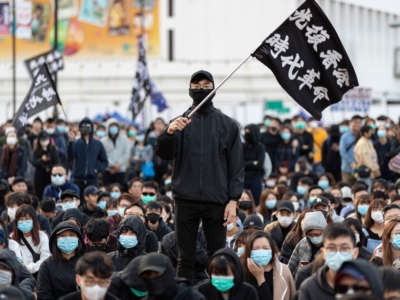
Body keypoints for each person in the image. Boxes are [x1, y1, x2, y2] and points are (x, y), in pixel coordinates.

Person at [155, 70, 244, 281]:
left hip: (217, 200)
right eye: (197, 85)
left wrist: (233, 199)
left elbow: (237, 165)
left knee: (218, 256)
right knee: (184, 258)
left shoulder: (227, 125)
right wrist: (168, 133)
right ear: (189, 89)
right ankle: (184, 293)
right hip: (185, 199)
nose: (201, 89)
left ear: (214, 89)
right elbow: (164, 153)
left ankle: (216, 293)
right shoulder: (180, 123)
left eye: (206, 85)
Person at [297, 223, 359, 300]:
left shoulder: (365, 285)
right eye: (332, 248)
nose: (338, 253)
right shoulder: (309, 288)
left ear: (355, 253)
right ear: (323, 253)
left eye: (344, 248)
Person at [37, 221, 85, 300]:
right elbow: (43, 294)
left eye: (72, 235)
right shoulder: (47, 266)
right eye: (62, 236)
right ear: (55, 240)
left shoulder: (87, 262)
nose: (67, 238)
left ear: (78, 238)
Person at [242, 231, 295, 300]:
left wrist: (260, 278)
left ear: (272, 250)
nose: (261, 251)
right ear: (249, 251)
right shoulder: (242, 272)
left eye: (265, 248)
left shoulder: (284, 271)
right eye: (256, 249)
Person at [68, 118, 108, 199]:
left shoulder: (98, 144)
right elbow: (70, 157)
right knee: (77, 200)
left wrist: (98, 169)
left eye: (87, 126)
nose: (85, 128)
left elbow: (104, 161)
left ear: (92, 128)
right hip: (77, 178)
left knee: (92, 200)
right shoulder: (76, 143)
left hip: (92, 179)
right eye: (83, 126)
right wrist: (70, 142)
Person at [138, 252, 206, 300]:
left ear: (168, 272)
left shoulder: (191, 296)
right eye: (147, 276)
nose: (152, 279)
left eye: (157, 273)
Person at [8, 205, 50, 275]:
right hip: (20, 277)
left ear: (34, 220)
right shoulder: (12, 238)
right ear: (16, 222)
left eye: (27, 219)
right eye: (21, 219)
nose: (24, 222)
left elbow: (45, 258)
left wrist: (30, 268)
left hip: (39, 275)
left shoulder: (42, 236)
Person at [288, 211, 327, 276]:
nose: (314, 237)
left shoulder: (329, 246)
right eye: (311, 235)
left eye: (317, 235)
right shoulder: (303, 243)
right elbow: (291, 264)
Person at [102, 119, 130, 186]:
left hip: (121, 170)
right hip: (108, 171)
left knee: (121, 189)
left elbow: (126, 153)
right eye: (111, 126)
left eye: (115, 126)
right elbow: (103, 155)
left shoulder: (124, 139)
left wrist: (118, 165)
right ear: (108, 128)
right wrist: (111, 165)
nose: (113, 128)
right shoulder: (103, 141)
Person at [32, 131, 59, 197]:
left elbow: (57, 162)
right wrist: (41, 159)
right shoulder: (36, 150)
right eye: (42, 140)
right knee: (39, 193)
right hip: (40, 175)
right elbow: (34, 162)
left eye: (45, 139)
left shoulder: (53, 149)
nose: (44, 141)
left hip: (50, 174)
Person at [243, 124, 265, 205]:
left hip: (256, 178)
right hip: (243, 178)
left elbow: (259, 164)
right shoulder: (242, 146)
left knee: (256, 202)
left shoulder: (260, 147)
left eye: (248, 132)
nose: (246, 134)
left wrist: (246, 163)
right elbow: (240, 164)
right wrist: (252, 162)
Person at [339, 115, 362, 185]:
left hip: (360, 168)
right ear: (350, 124)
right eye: (355, 122)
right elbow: (342, 152)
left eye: (359, 122)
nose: (357, 124)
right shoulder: (345, 136)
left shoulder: (363, 136)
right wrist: (351, 162)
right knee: (346, 188)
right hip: (347, 168)